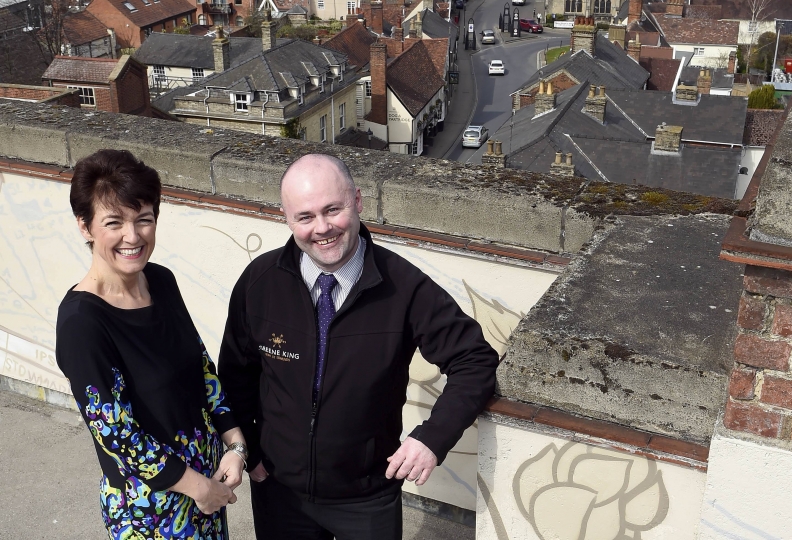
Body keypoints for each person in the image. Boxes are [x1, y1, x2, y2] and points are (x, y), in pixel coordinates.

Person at [218, 154, 499, 539]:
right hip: (279, 492)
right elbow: (236, 374)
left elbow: (475, 360)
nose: (322, 228)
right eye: (305, 217)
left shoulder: (404, 286)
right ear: (286, 218)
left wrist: (432, 439)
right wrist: (249, 452)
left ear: (358, 201)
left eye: (333, 209)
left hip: (367, 499)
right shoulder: (260, 281)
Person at [55, 149, 248, 539]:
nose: (133, 236)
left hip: (206, 482)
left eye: (144, 220)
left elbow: (201, 367)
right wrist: (199, 488)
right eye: (114, 222)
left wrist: (235, 441)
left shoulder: (160, 280)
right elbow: (115, 433)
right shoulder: (81, 322)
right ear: (85, 227)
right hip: (148, 508)